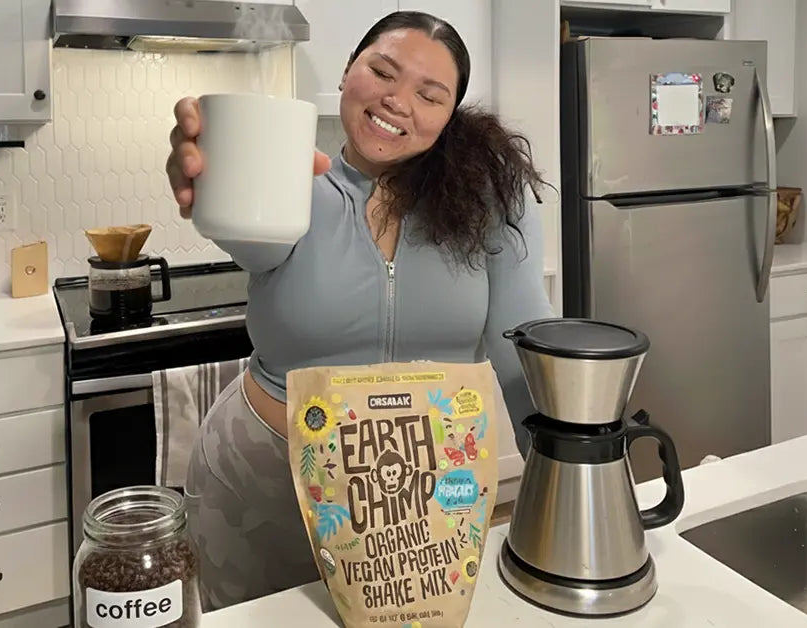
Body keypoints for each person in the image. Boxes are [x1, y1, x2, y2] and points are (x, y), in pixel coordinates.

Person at [166, 10, 555, 612]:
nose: (399, 101)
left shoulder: (490, 201)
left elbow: (522, 353)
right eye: (383, 72)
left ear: (449, 115)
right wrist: (212, 171)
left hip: (422, 504)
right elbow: (245, 229)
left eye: (430, 95)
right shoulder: (290, 184)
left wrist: (572, 485)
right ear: (348, 70)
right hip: (261, 489)